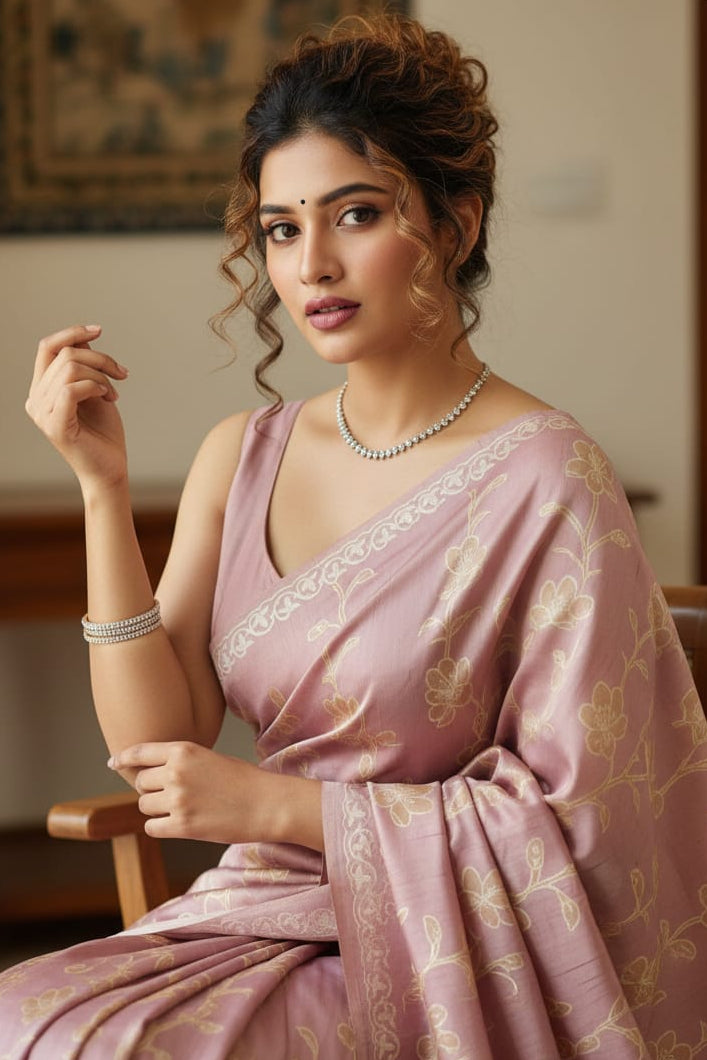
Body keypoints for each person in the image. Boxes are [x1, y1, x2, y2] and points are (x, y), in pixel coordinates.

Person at [1, 13, 705, 1058]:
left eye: (356, 214)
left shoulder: (547, 477)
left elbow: (586, 822)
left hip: (448, 946)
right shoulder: (243, 453)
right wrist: (100, 487)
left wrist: (278, 806)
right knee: (21, 1018)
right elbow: (157, 743)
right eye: (282, 229)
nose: (312, 265)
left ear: (455, 225)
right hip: (260, 911)